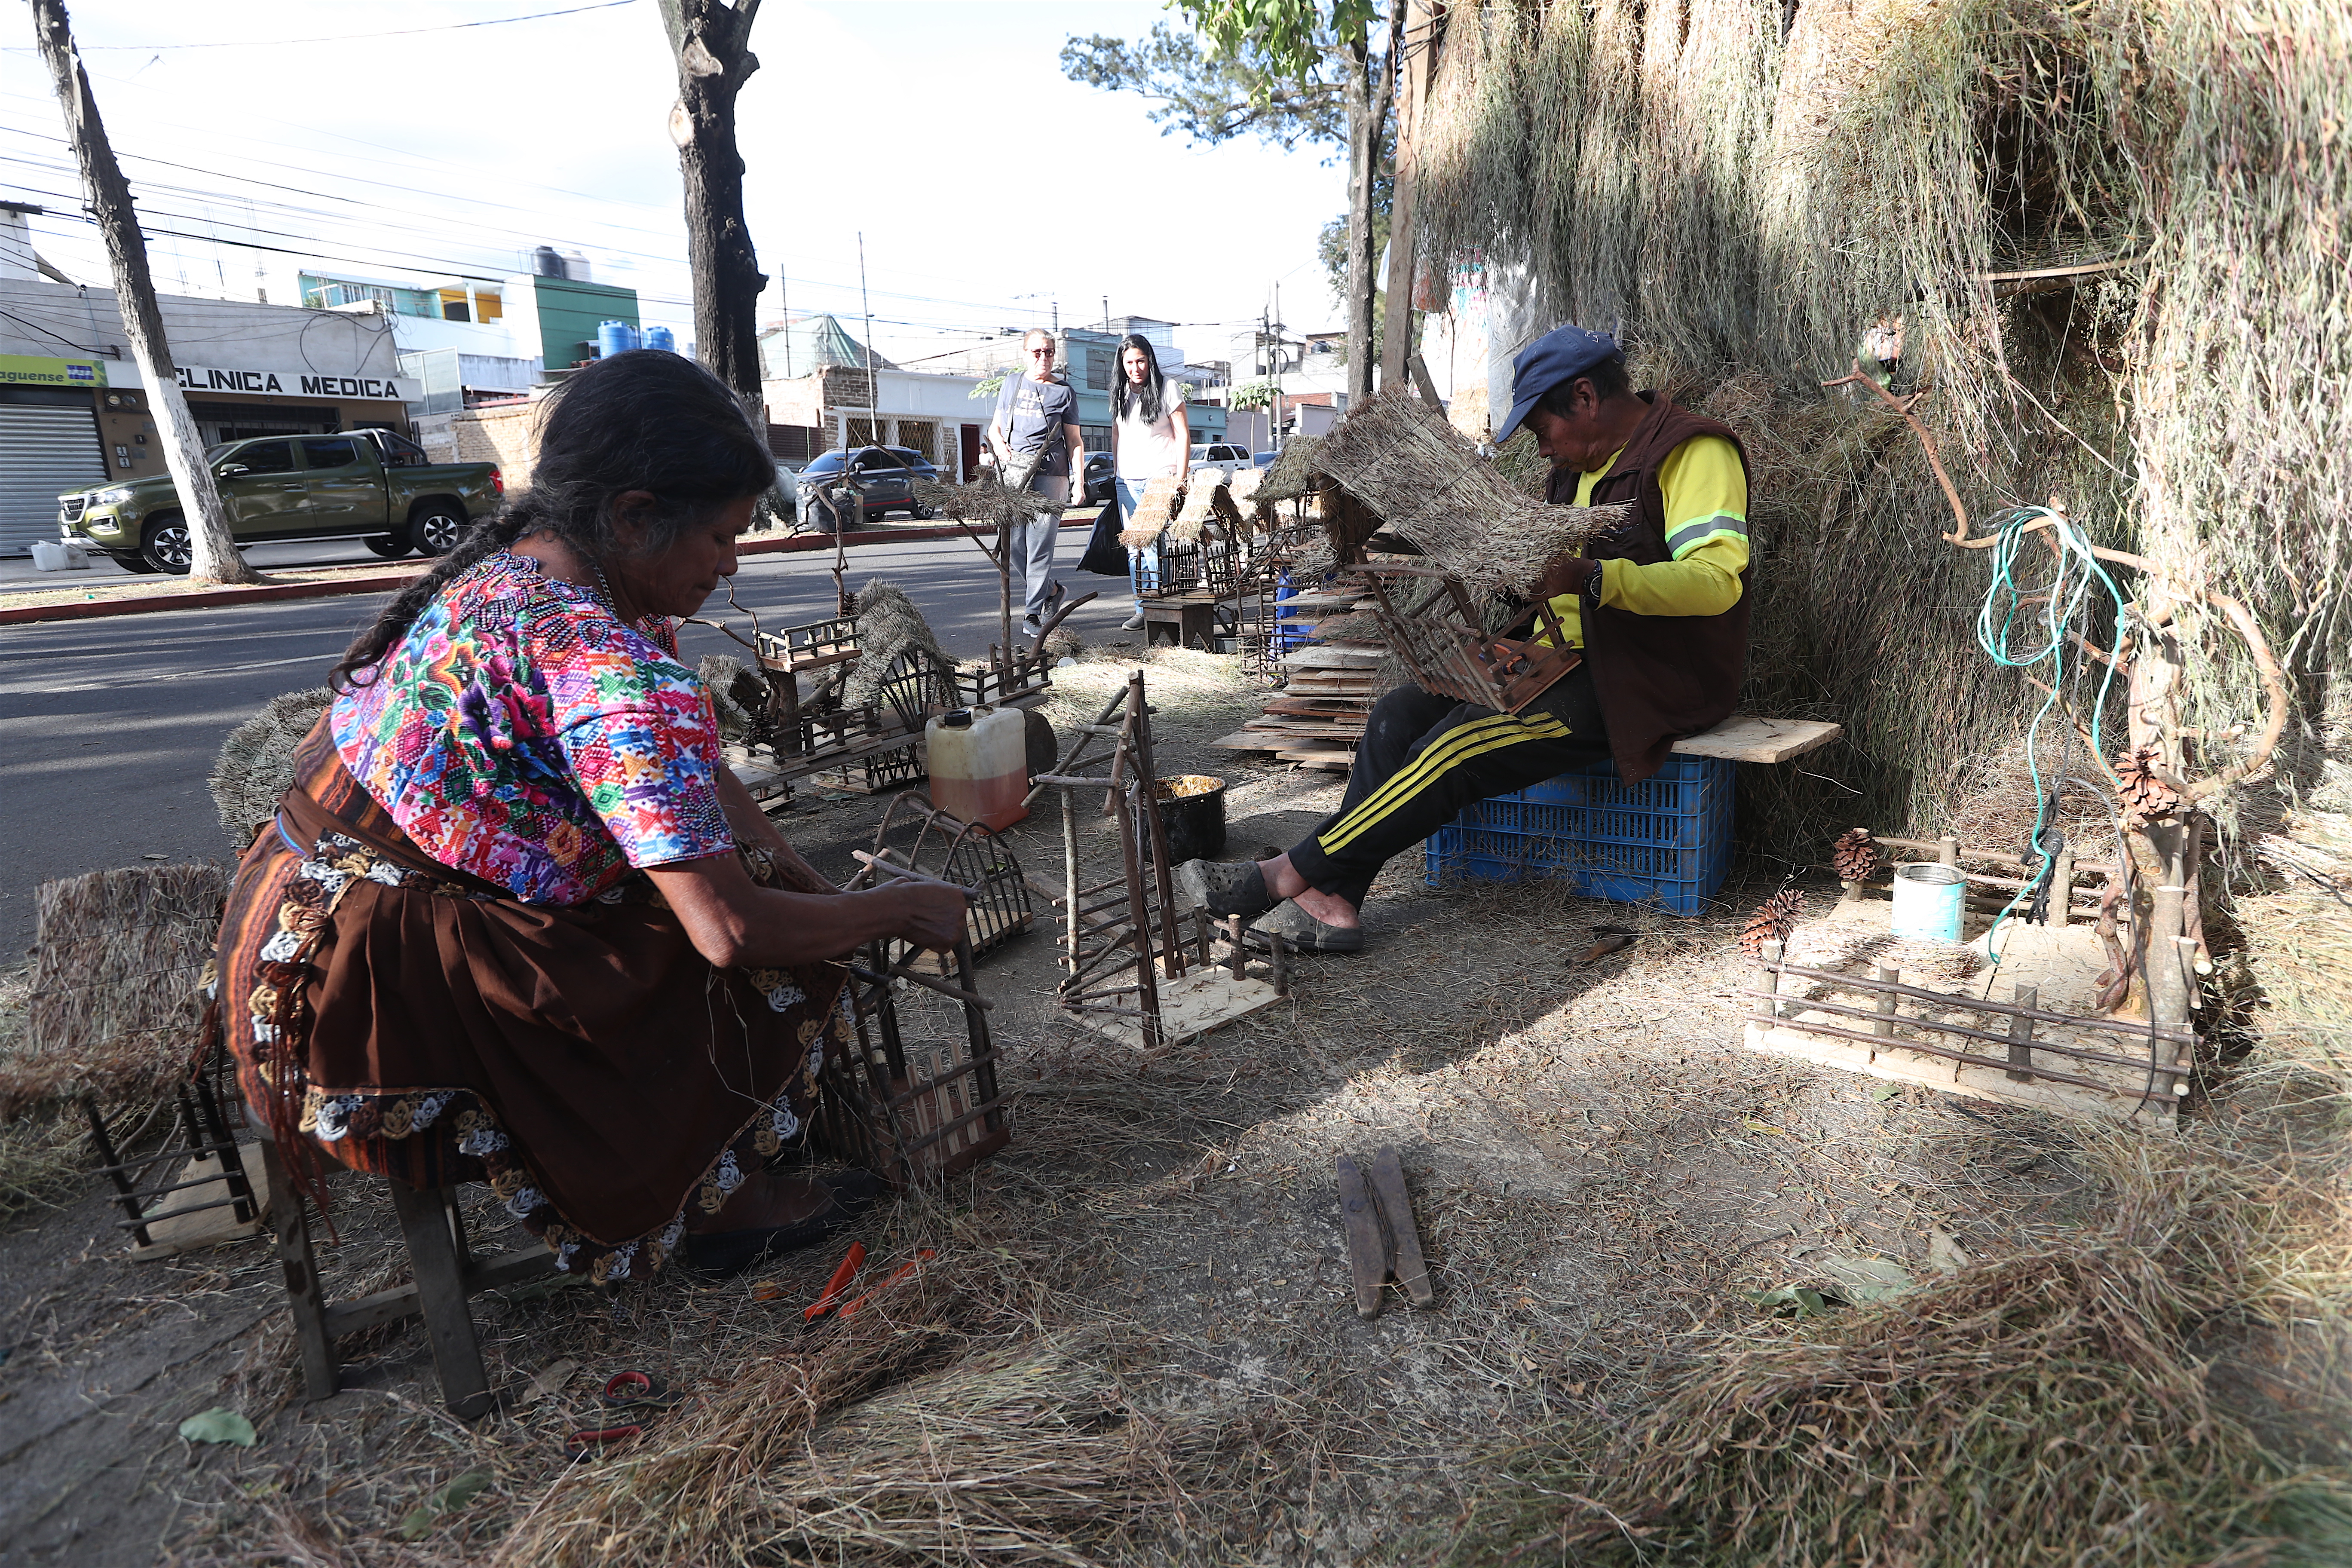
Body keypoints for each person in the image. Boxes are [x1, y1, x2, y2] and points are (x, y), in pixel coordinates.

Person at [209, 350, 968, 1282]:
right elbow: (728, 930)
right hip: (365, 974)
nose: (731, 568)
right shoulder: (602, 666)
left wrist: (800, 878)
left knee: (775, 901)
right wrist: (888, 911)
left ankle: (730, 1147)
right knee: (693, 959)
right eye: (724, 539)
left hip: (312, 889)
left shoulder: (546, 572)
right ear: (635, 515)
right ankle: (716, 1204)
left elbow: (696, 777)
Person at [1179, 325, 1752, 955]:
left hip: (1646, 679)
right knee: (1399, 715)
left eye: (1540, 431)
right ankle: (1340, 900)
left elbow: (1715, 582)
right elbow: (1547, 577)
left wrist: (1592, 578)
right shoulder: (1576, 468)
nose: (1542, 453)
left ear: (1584, 397)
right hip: (1558, 661)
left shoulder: (1691, 453)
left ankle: (1286, 873)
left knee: (1457, 747)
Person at [987, 328, 1085, 634]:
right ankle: (1053, 591)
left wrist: (1079, 481)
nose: (1044, 358)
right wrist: (1001, 447)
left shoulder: (1064, 392)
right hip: (1016, 475)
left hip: (1051, 475)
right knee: (1015, 547)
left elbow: (1075, 440)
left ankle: (1032, 613)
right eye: (1037, 352)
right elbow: (995, 429)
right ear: (1025, 354)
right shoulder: (1013, 383)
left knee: (1040, 545)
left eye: (1049, 352)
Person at [1108, 333, 1190, 631]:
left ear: (1149, 359)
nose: (1135, 367)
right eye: (1129, 362)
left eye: (1140, 360)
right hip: (1127, 480)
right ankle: (1142, 607)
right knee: (1134, 547)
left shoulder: (1168, 388)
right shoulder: (1119, 391)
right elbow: (1117, 433)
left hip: (1160, 477)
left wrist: (1180, 478)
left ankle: (1158, 606)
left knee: (1154, 545)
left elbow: (1183, 434)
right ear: (1122, 364)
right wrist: (1117, 471)